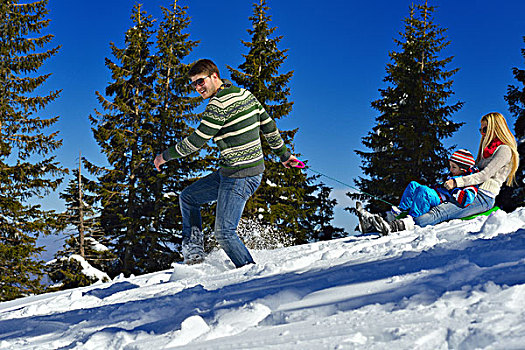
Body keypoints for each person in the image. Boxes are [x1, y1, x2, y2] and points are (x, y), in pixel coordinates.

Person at [154, 59, 300, 267]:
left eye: (200, 82)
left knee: (224, 233)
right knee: (188, 198)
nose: (197, 88)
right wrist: (285, 156)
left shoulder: (217, 105)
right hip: (231, 172)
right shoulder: (246, 94)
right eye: (194, 84)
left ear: (215, 76)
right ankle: (194, 254)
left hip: (241, 176)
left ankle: (251, 274)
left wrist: (163, 157)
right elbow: (268, 126)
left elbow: (196, 141)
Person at [358, 112, 519, 235]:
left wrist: (457, 183)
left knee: (438, 212)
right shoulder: (486, 151)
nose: (482, 133)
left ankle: (395, 227)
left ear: (494, 128)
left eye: (484, 129)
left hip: (483, 197)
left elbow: (484, 175)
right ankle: (377, 220)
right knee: (422, 195)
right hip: (469, 190)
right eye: (480, 129)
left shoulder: (504, 150)